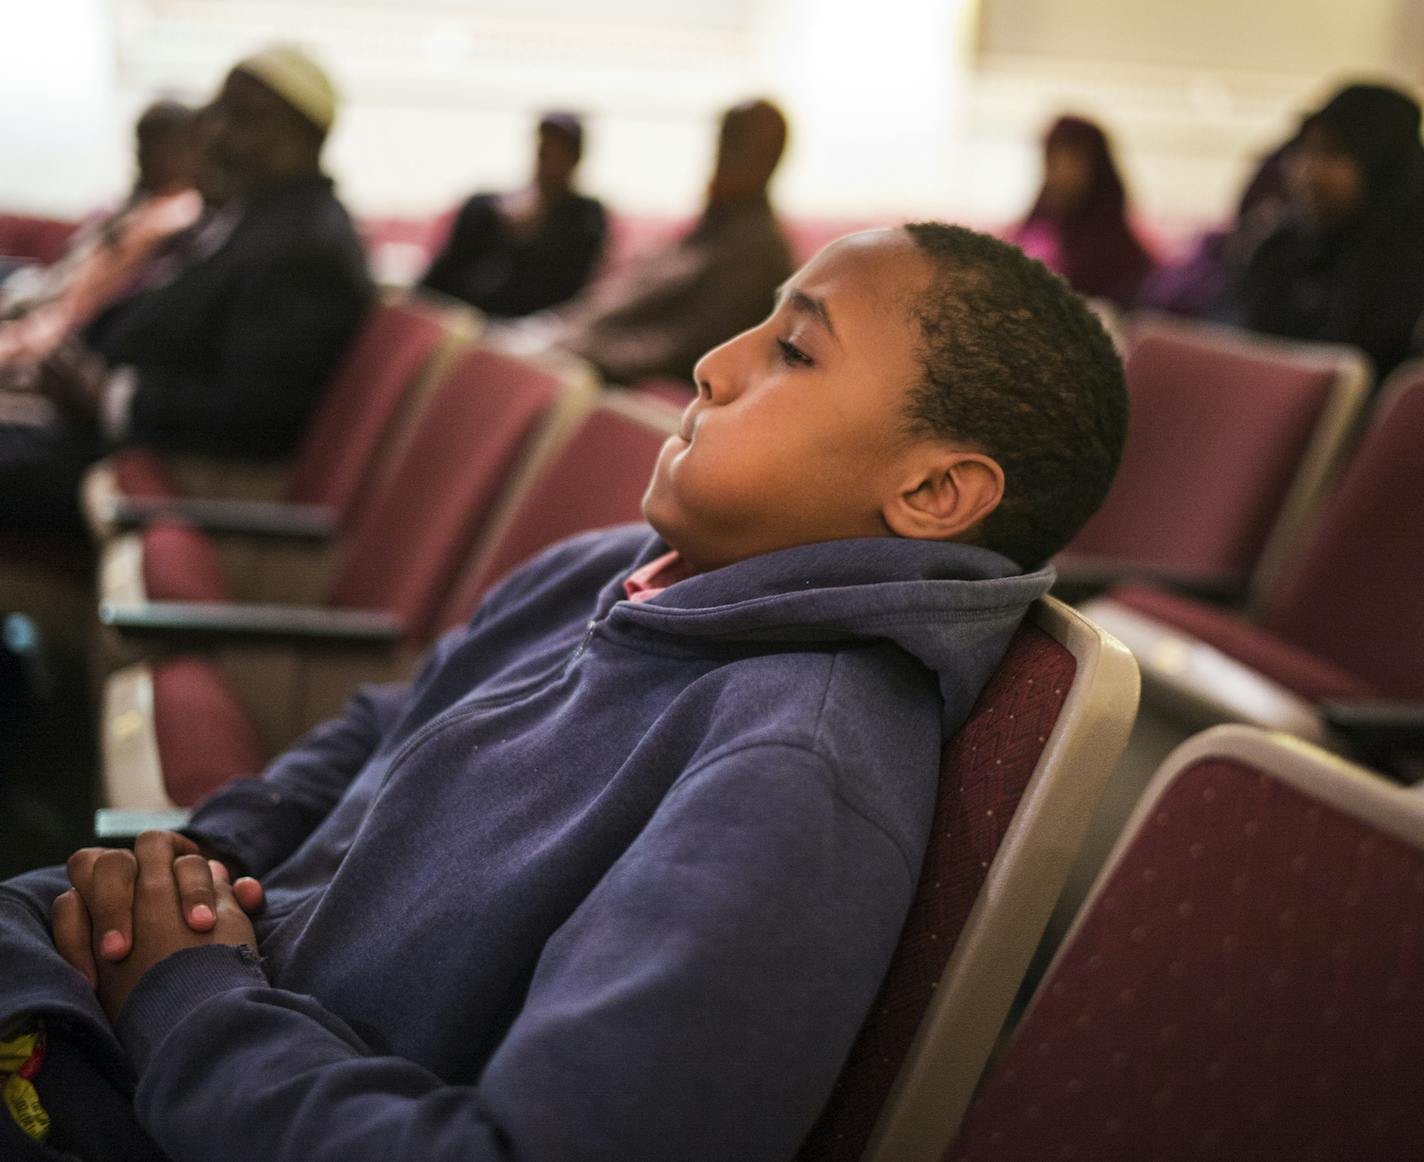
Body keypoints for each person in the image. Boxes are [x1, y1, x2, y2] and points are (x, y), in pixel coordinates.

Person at [0, 222, 1128, 1162]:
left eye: (792, 351)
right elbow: (385, 726)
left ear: (932, 489)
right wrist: (197, 866)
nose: (713, 362)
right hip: (213, 1012)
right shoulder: (613, 566)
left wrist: (186, 996)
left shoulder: (794, 772)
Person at [0, 46, 372, 540]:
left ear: (304, 136)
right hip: (121, 449)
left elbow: (257, 416)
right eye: (216, 113)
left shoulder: (303, 247)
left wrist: (111, 395)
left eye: (242, 119)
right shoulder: (255, 221)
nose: (216, 134)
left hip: (182, 485)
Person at [536, 97, 793, 384]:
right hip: (565, 342)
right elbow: (613, 301)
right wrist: (554, 331)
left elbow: (678, 348)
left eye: (738, 143)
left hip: (603, 379)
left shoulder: (758, 254)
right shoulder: (706, 231)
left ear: (770, 158)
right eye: (723, 139)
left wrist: (571, 351)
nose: (722, 155)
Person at [1213, 82, 1424, 380]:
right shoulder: (1283, 245)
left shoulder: (1406, 266)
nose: (1307, 171)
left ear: (1382, 167)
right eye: (1305, 151)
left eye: (1332, 155)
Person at [0, 101, 203, 367]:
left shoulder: (175, 215)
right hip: (42, 294)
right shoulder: (130, 205)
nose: (142, 155)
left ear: (191, 150)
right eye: (140, 144)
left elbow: (82, 312)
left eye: (159, 147)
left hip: (55, 327)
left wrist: (19, 340)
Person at [419, 112, 607, 318]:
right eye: (545, 146)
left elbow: (566, 289)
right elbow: (448, 266)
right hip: (461, 309)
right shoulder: (486, 205)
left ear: (576, 157)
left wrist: (524, 237)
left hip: (530, 322)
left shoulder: (586, 216)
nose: (549, 154)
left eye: (561, 148)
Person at [1009, 114, 1156, 308]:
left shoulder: (1120, 255)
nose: (1061, 172)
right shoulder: (1036, 227)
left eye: (1073, 159)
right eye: (1054, 159)